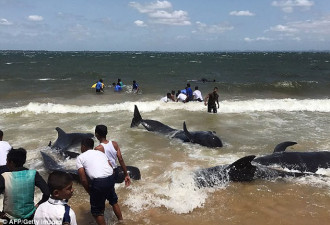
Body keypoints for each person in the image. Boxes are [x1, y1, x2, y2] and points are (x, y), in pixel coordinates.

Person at [77, 138, 122, 225]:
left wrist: (89, 191)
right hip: (110, 177)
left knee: (97, 212)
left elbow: (82, 178)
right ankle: (121, 221)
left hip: (99, 182)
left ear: (83, 147)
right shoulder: (100, 153)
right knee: (113, 201)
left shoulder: (80, 157)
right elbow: (110, 166)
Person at [0, 148, 50, 221]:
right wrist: (38, 205)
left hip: (9, 218)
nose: (6, 164)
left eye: (7, 161)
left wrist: (0, 214)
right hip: (30, 217)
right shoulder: (33, 174)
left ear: (12, 162)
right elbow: (47, 192)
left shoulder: (4, 177)